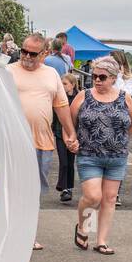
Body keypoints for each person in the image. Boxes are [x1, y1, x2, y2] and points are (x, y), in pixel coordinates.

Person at [9, 33, 78, 249]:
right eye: (24, 51)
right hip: (12, 141)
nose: (27, 56)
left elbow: (61, 105)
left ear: (44, 53)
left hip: (42, 141)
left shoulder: (51, 74)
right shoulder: (7, 71)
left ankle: (29, 235)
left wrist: (70, 132)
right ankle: (10, 234)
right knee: (11, 189)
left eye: (32, 53)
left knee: (34, 191)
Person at [69, 55, 132, 255]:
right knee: (92, 196)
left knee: (109, 198)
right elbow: (71, 124)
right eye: (95, 76)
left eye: (102, 77)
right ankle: (83, 227)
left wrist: (116, 139)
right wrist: (71, 140)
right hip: (89, 155)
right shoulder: (84, 96)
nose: (97, 80)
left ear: (114, 78)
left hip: (116, 156)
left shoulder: (125, 97)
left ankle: (101, 240)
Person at [53, 72, 79, 202]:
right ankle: (64, 187)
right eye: (61, 84)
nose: (62, 86)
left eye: (65, 84)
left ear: (73, 85)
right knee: (63, 161)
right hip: (59, 132)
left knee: (70, 161)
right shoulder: (58, 98)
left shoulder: (78, 98)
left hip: (73, 134)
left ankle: (68, 188)